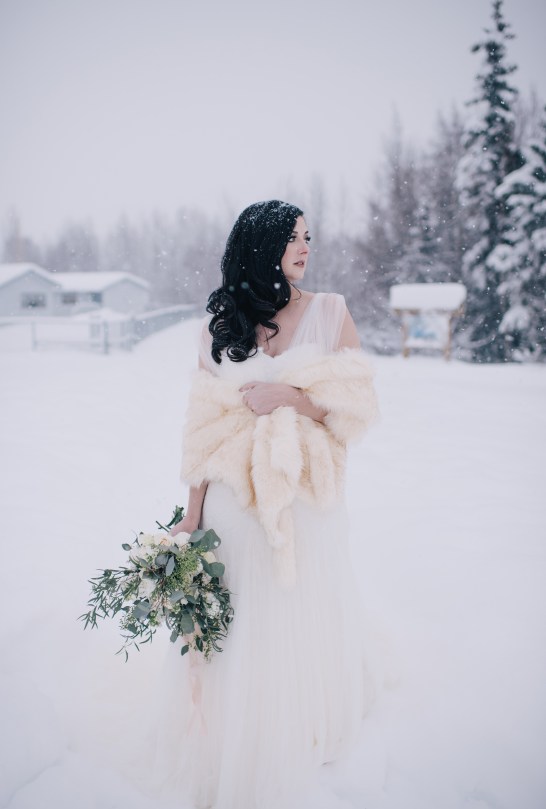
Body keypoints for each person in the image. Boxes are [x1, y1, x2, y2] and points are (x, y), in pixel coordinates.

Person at [163, 200, 379, 809]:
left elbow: (356, 408)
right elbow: (201, 428)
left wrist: (293, 397)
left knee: (295, 608)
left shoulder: (331, 314)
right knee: (244, 612)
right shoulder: (221, 326)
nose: (306, 249)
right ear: (261, 249)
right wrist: (191, 512)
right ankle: (239, 727)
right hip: (234, 499)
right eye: (293, 240)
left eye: (309, 238)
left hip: (304, 495)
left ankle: (300, 718)